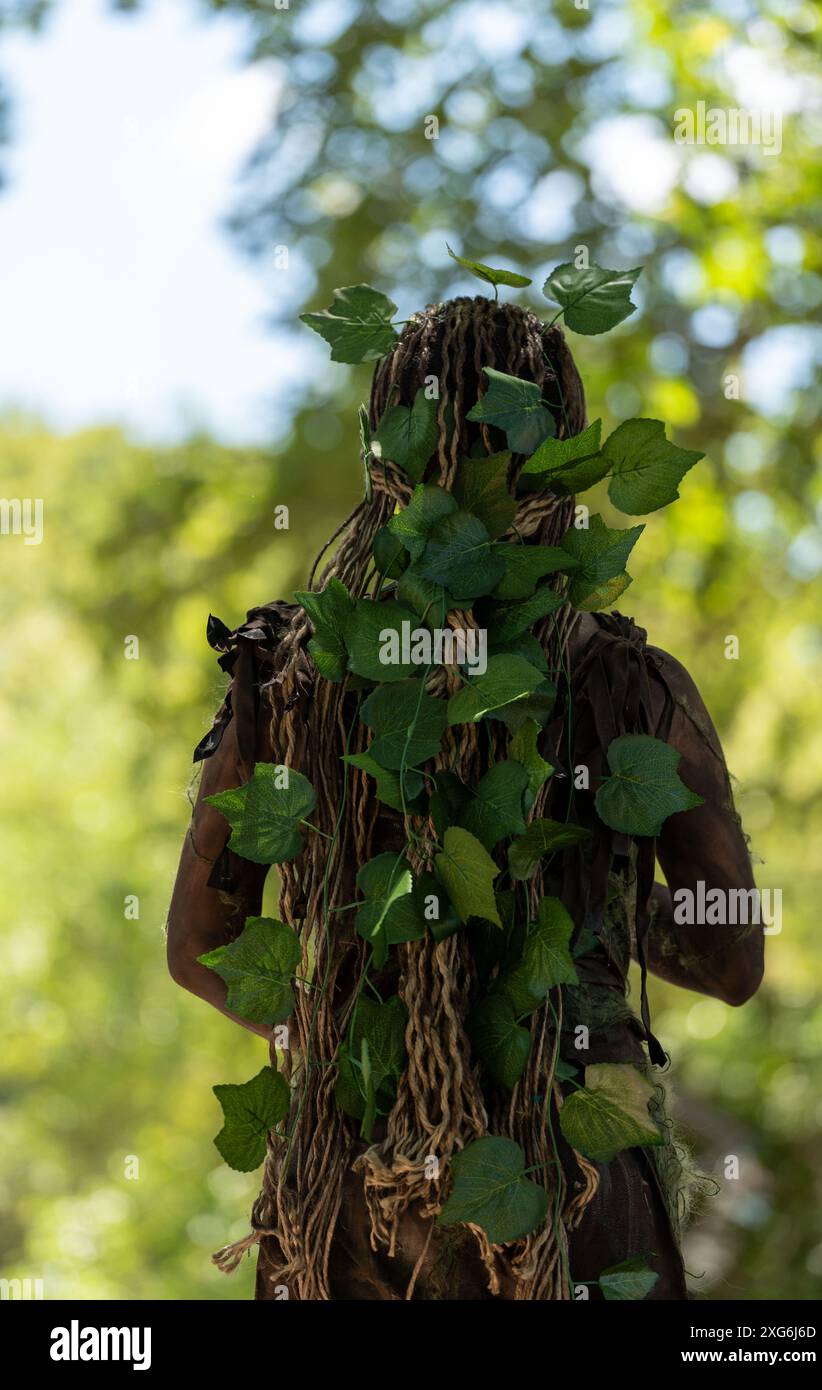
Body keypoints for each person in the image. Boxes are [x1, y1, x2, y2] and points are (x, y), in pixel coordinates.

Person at [167, 296, 763, 1300]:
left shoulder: (287, 678)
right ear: (561, 443)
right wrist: (586, 912)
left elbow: (198, 946)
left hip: (352, 1185)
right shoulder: (632, 687)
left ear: (387, 443)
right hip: (574, 1182)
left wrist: (354, 1032)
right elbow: (731, 957)